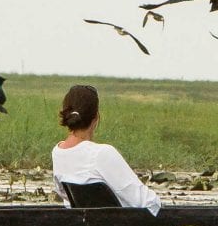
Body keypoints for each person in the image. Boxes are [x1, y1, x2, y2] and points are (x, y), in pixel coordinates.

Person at [51, 84, 162, 213]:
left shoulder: (58, 152)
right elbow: (147, 202)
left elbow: (67, 200)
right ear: (96, 117)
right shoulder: (101, 153)